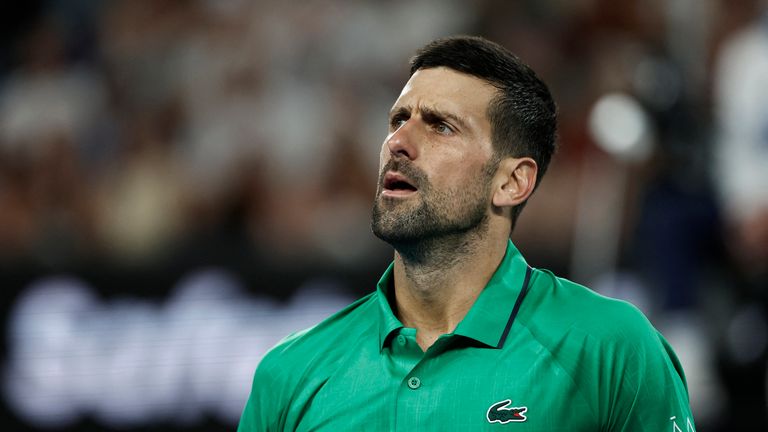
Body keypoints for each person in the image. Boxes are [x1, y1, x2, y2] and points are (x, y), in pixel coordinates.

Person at [238, 35, 695, 431]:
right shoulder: (290, 373)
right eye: (399, 119)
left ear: (512, 182)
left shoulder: (611, 349)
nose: (398, 142)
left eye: (440, 126)